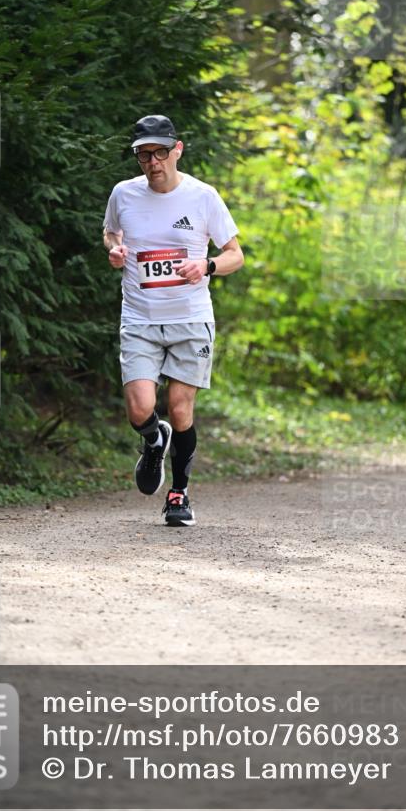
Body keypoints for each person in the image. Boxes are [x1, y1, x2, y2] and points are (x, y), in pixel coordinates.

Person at [103, 114, 244, 526]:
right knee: (139, 409)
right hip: (141, 319)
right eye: (143, 155)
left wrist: (209, 266)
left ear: (176, 149)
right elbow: (111, 233)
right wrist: (114, 250)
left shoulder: (203, 197)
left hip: (190, 318)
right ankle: (153, 439)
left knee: (181, 410)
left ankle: (179, 493)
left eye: (160, 152)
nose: (152, 162)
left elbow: (236, 253)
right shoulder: (123, 194)